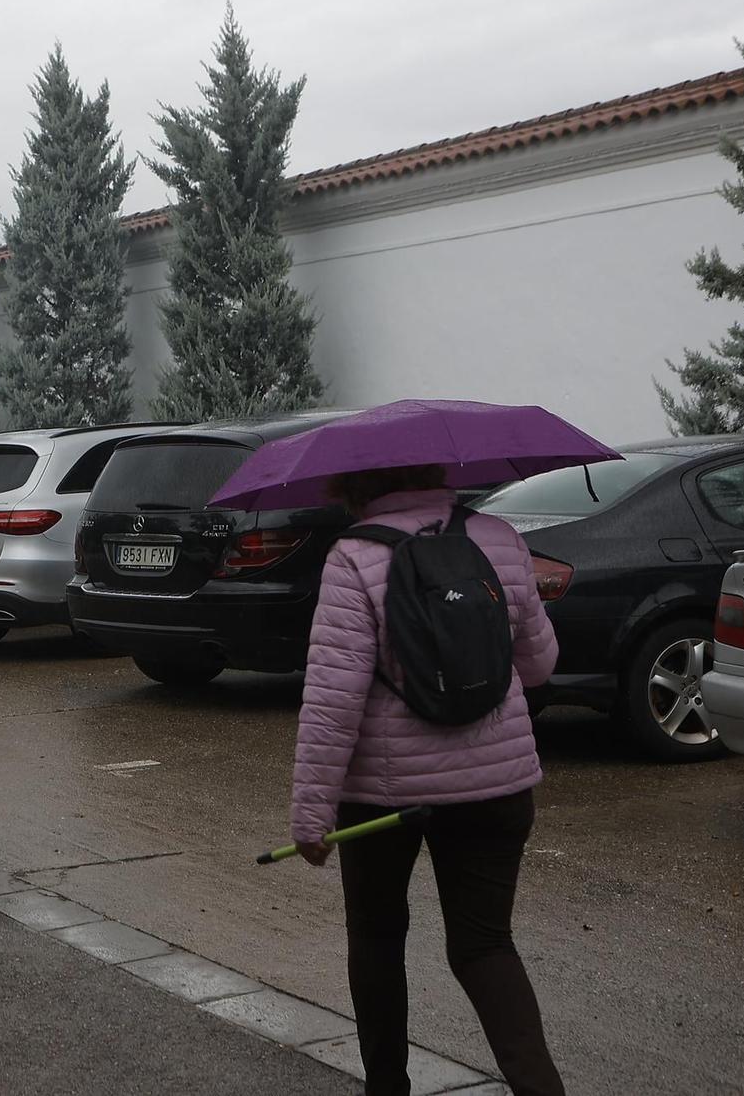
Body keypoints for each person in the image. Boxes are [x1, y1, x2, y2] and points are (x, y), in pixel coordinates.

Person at [289, 465, 563, 1096]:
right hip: (498, 787)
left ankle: (388, 1087)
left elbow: (335, 701)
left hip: (386, 799)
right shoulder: (498, 538)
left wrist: (311, 814)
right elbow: (542, 663)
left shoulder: (353, 556)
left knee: (379, 936)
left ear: (354, 487)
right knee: (485, 946)